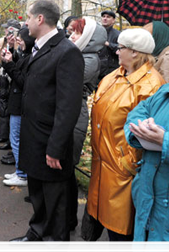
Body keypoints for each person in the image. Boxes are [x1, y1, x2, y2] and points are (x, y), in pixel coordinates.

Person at [9, 0, 84, 252]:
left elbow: (68, 106)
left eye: (28, 17)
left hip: (51, 140)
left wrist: (55, 147)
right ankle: (38, 230)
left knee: (56, 199)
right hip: (34, 137)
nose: (25, 22)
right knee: (38, 192)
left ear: (40, 19)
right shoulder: (39, 48)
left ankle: (56, 242)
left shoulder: (66, 51)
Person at [87, 28, 165, 252]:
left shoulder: (151, 85)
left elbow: (149, 132)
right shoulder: (115, 75)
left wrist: (128, 163)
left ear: (135, 53)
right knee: (113, 231)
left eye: (121, 48)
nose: (116, 51)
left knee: (126, 235)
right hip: (105, 167)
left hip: (125, 172)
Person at [124, 31, 169, 252]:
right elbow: (134, 116)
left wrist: (166, 141)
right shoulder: (165, 92)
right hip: (148, 206)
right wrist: (139, 133)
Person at [68, 16, 106, 230]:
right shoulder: (79, 54)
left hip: (75, 115)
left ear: (90, 38)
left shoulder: (89, 59)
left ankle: (69, 218)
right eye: (72, 31)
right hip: (71, 111)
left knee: (67, 169)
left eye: (78, 32)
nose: (72, 36)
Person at [0, 25, 35, 187]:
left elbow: (22, 80)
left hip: (20, 105)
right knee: (17, 139)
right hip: (17, 103)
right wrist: (11, 58)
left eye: (21, 38)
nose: (18, 40)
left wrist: (8, 64)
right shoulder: (26, 55)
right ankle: (20, 170)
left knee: (17, 140)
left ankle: (22, 174)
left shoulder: (30, 58)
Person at [0, 19, 21, 153]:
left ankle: (10, 140)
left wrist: (12, 46)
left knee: (10, 111)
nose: (7, 32)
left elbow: (18, 59)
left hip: (13, 80)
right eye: (6, 29)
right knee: (1, 108)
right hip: (2, 77)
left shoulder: (20, 42)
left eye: (10, 30)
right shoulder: (0, 41)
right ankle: (3, 135)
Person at [98, 10, 120, 82]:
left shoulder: (118, 34)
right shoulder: (96, 32)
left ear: (113, 20)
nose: (105, 18)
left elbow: (121, 49)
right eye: (103, 16)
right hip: (97, 70)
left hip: (111, 70)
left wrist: (109, 44)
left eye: (108, 17)